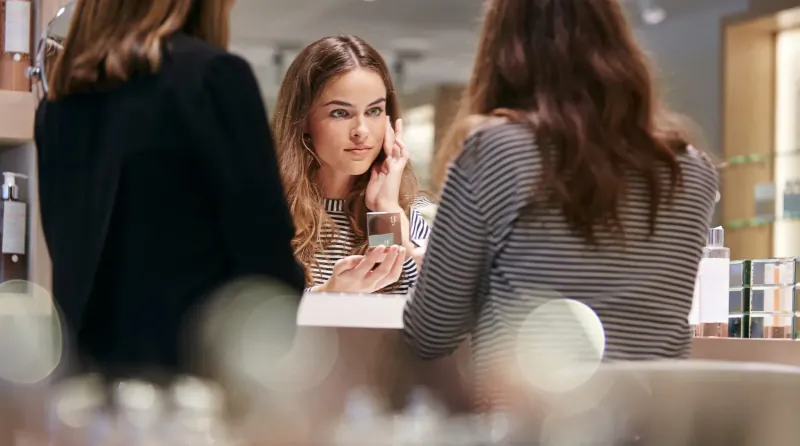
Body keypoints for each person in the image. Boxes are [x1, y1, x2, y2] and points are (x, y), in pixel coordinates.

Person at [403, 0, 718, 409]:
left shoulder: (497, 150)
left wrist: (446, 266)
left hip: (529, 429)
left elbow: (429, 333)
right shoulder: (693, 172)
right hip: (651, 429)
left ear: (502, 52)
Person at [34, 0, 305, 377]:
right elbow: (266, 269)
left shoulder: (57, 109)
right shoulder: (212, 79)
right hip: (194, 382)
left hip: (90, 382)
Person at [271, 35, 432, 294]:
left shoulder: (412, 214)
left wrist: (385, 209)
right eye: (340, 113)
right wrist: (328, 296)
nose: (361, 131)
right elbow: (247, 316)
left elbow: (429, 304)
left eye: (374, 111)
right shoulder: (267, 211)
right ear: (303, 120)